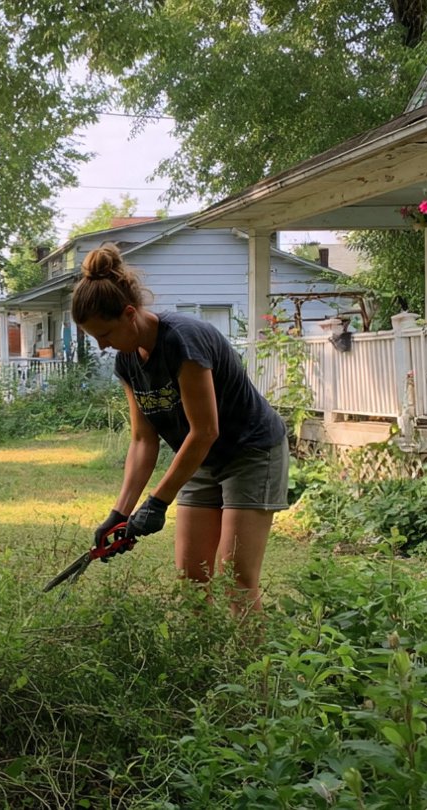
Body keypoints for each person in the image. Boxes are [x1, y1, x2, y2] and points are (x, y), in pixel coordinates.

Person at [71, 244, 289, 613]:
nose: (102, 345)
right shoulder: (127, 362)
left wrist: (157, 503)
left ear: (129, 314)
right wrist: (120, 514)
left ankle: (252, 670)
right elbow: (143, 440)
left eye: (105, 334)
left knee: (236, 576)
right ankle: (203, 669)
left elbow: (205, 431)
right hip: (200, 461)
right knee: (192, 578)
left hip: (251, 451)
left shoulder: (183, 342)